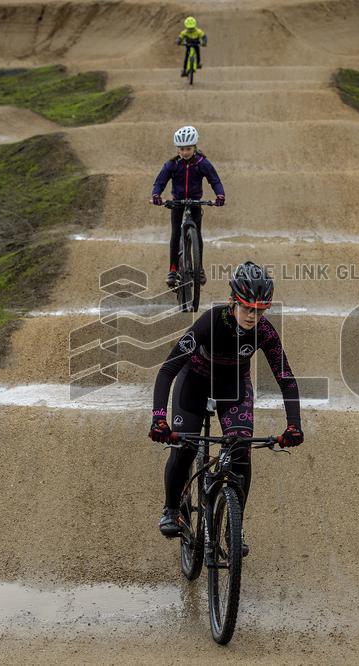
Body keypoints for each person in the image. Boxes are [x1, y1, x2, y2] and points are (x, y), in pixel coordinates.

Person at [148, 262, 304, 556]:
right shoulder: (210, 321)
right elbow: (168, 370)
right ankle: (171, 508)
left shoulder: (265, 332)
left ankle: (235, 526)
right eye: (248, 309)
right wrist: (159, 419)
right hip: (193, 384)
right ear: (233, 301)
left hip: (233, 389)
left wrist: (294, 424)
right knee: (185, 446)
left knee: (241, 449)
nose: (253, 317)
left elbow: (285, 377)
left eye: (260, 311)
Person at [151, 125, 225, 288]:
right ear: (177, 149)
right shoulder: (172, 164)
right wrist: (156, 195)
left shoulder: (202, 163)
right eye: (182, 149)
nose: (185, 152)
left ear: (195, 147)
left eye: (189, 149)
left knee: (197, 234)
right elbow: (160, 181)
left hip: (195, 202)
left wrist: (220, 195)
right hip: (177, 202)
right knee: (176, 233)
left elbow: (215, 180)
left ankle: (199, 269)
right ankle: (173, 269)